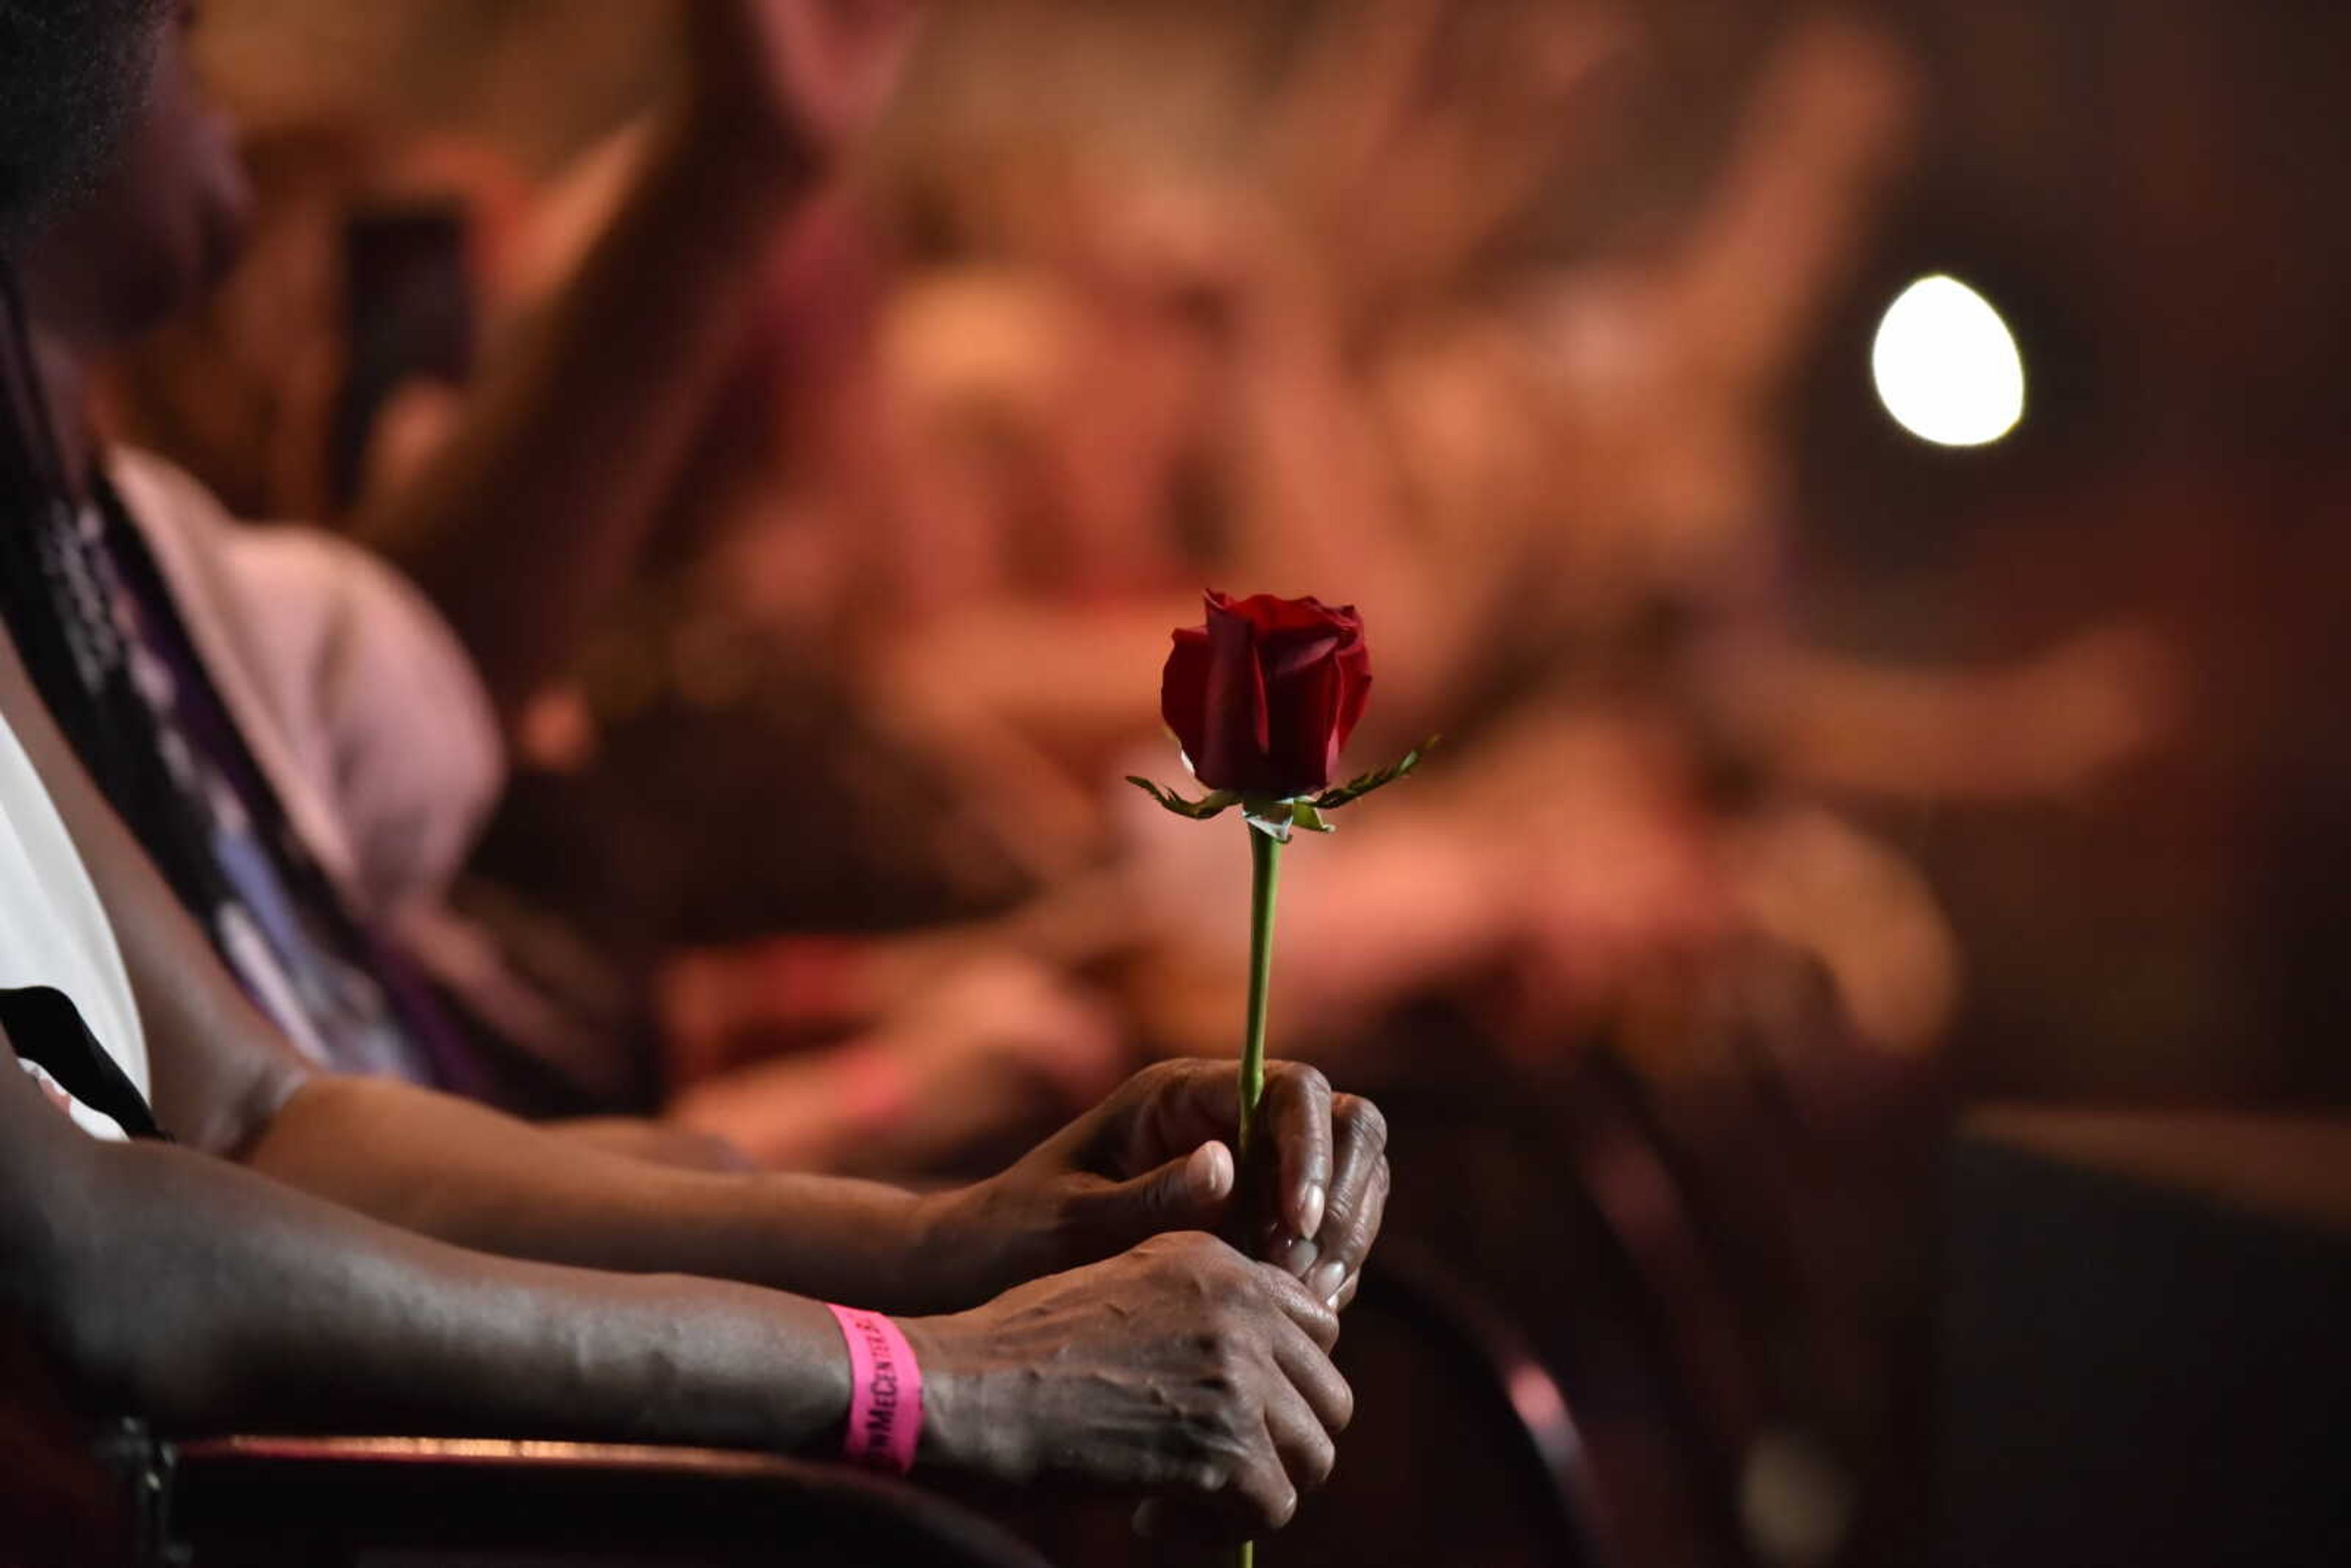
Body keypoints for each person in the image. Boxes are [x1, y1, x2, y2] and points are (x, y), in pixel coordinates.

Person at [0, 0, 1386, 1540]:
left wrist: (973, 1240)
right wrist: (927, 1376)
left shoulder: (76, 599)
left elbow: (271, 1115)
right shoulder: (708, 700)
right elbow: (102, 1246)